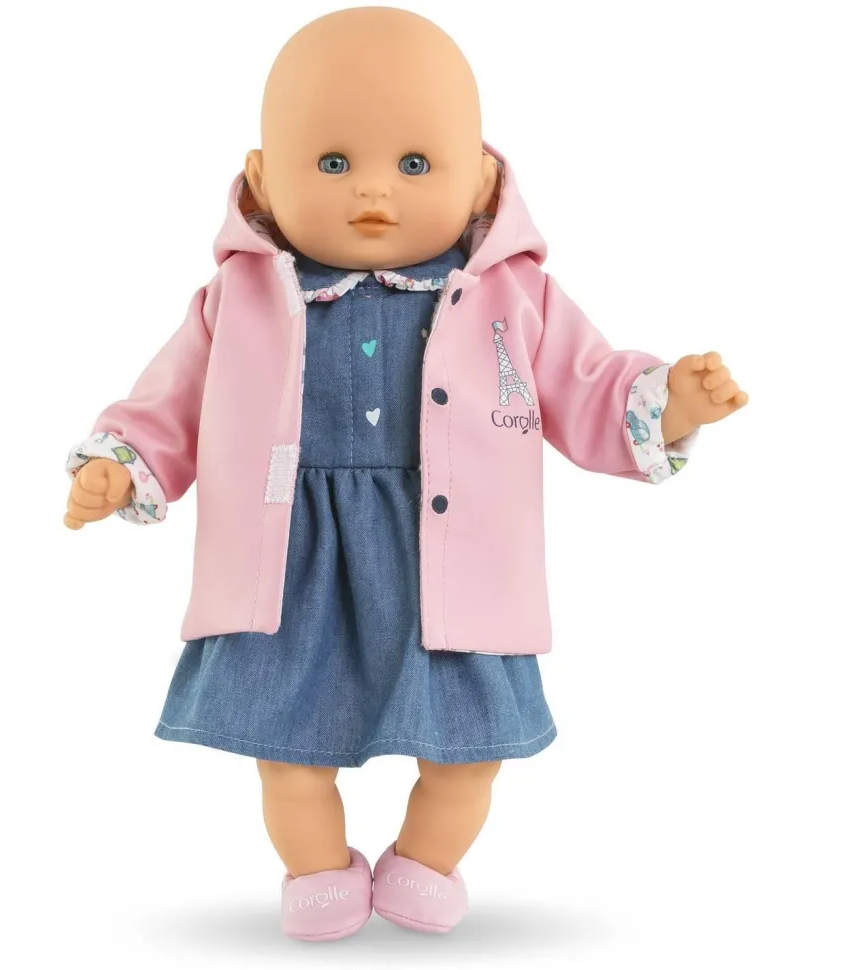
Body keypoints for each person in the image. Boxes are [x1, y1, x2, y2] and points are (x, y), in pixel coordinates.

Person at [63, 6, 748, 942]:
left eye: (416, 163)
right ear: (261, 179)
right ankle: (316, 874)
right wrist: (122, 463)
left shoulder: (514, 298)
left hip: (452, 565)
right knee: (286, 743)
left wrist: (672, 404)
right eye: (332, 161)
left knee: (468, 747)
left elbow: (589, 386)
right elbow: (170, 399)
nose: (374, 189)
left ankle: (426, 865)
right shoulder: (241, 297)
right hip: (292, 566)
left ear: (485, 180)